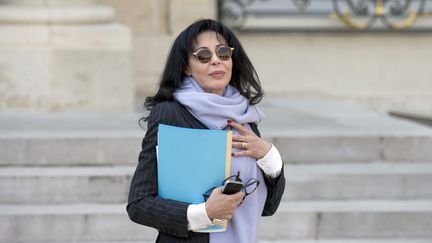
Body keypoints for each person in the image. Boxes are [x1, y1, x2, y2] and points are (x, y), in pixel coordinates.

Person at [127, 19, 285, 243]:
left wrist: (270, 157)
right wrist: (204, 214)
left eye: (223, 53)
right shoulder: (171, 114)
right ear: (186, 66)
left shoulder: (244, 116)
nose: (215, 61)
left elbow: (267, 207)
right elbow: (139, 204)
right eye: (203, 55)